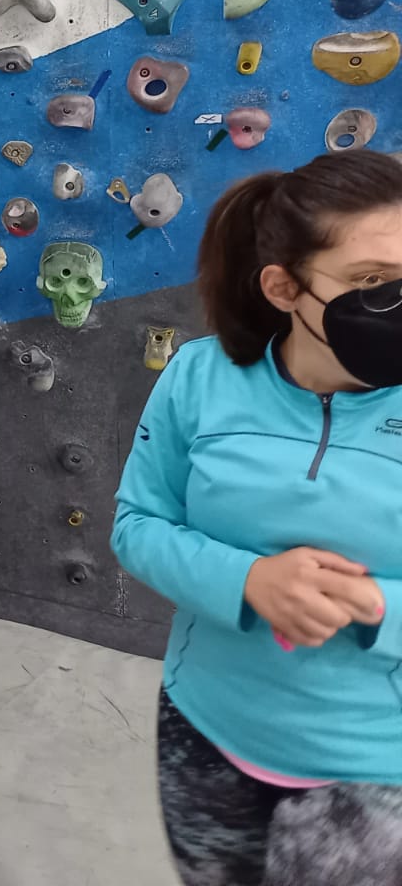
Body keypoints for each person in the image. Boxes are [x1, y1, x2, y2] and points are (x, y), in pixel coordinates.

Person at [111, 149, 402, 886]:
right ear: (283, 287)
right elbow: (138, 525)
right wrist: (249, 581)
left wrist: (374, 606)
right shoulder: (198, 378)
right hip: (207, 732)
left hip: (377, 768)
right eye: (373, 284)